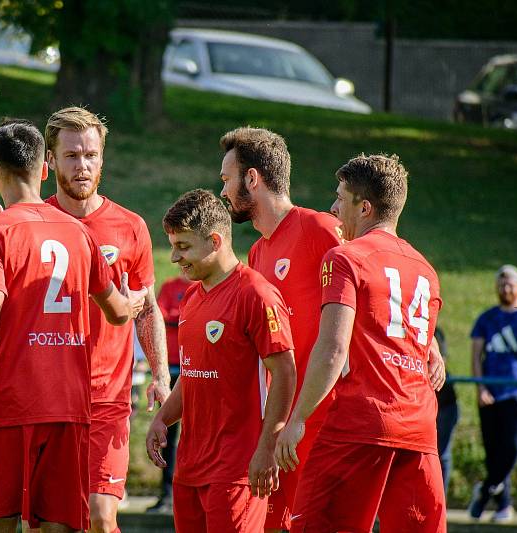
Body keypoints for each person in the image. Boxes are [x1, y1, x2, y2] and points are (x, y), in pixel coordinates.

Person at [0, 118, 146, 533]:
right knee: (58, 526)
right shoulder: (79, 234)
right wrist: (137, 301)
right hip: (70, 405)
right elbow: (120, 311)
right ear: (45, 170)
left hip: (11, 405)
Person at [276, 153, 446, 533]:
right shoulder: (425, 268)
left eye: (340, 198)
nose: (334, 208)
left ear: (364, 207)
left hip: (361, 424)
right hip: (419, 429)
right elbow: (422, 345)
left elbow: (334, 349)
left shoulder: (346, 258)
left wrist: (298, 418)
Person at [43, 106, 171, 533]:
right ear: (51, 160)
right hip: (47, 396)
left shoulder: (129, 227)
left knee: (101, 515)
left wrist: (160, 373)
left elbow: (147, 306)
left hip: (106, 396)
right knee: (52, 523)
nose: (83, 166)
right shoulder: (33, 223)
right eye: (72, 155)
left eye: (91, 155)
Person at [146, 189, 297, 533]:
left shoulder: (256, 295)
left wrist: (267, 447)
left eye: (183, 247)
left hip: (236, 470)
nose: (174, 257)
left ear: (214, 241)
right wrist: (163, 418)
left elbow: (285, 373)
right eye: (173, 246)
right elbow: (193, 371)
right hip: (189, 467)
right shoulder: (192, 299)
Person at [217, 126, 343, 531]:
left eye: (226, 179)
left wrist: (424, 344)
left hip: (322, 422)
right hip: (281, 427)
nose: (222, 191)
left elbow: (374, 284)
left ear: (251, 179)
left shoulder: (318, 228)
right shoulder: (257, 251)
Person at [468, 264, 517, 522]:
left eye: (511, 284)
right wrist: (481, 387)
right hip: (491, 391)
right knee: (494, 452)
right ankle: (503, 505)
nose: (506, 288)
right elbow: (476, 355)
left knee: (512, 447)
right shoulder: (486, 318)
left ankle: (486, 490)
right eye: (502, 284)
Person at [146, 272, 192, 514]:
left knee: (197, 433)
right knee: (167, 435)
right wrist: (184, 317)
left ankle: (191, 493)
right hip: (172, 368)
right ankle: (167, 495)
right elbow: (160, 316)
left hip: (196, 369)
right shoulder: (170, 285)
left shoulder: (202, 286)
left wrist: (178, 318)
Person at [434, 327, 459, 496]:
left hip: (444, 404)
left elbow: (439, 359)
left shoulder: (434, 331)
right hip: (422, 403)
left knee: (442, 454)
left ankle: (439, 497)